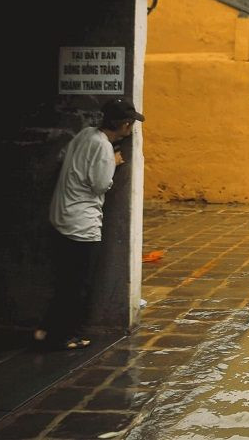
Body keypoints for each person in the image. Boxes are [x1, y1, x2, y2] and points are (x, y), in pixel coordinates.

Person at [35, 98, 144, 350]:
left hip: (61, 214)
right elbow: (100, 185)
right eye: (131, 124)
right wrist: (113, 164)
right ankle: (63, 335)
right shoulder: (104, 148)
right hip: (81, 223)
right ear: (125, 125)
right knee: (78, 284)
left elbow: (68, 158)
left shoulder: (85, 134)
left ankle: (45, 329)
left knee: (64, 280)